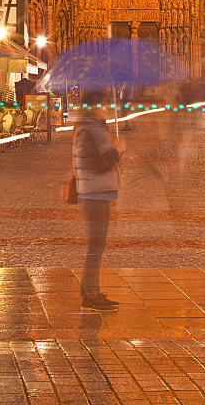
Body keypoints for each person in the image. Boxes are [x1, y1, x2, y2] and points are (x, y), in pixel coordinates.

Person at [72, 90, 126, 311]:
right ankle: (90, 295)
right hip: (93, 194)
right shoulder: (87, 130)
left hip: (100, 192)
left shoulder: (96, 127)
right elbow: (97, 164)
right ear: (94, 105)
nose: (107, 107)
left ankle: (91, 291)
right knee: (95, 245)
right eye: (104, 103)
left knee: (98, 245)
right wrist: (116, 150)